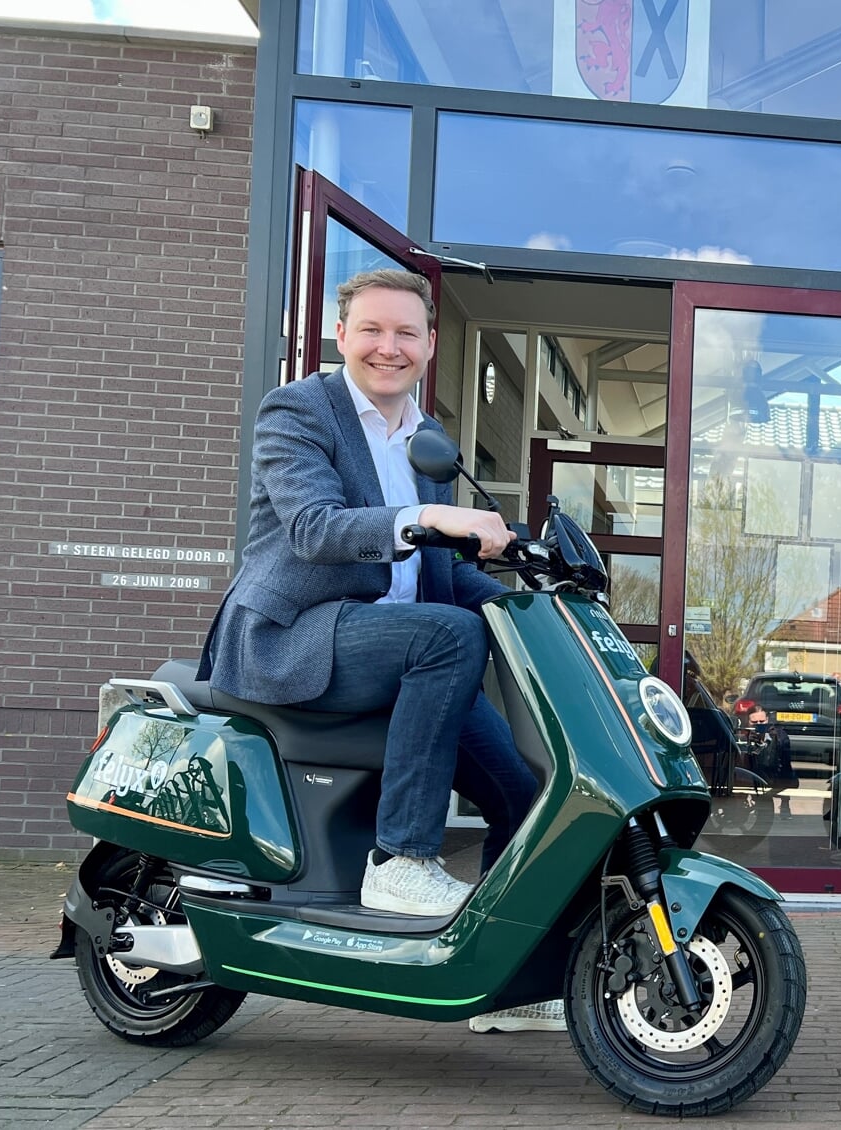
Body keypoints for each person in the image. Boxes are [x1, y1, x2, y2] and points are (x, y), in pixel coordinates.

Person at [197, 268, 559, 1033]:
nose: (388, 347)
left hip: (400, 654)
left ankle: (504, 985)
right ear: (342, 336)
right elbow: (315, 529)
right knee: (446, 633)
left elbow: (439, 567)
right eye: (372, 329)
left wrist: (531, 609)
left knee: (523, 794)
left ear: (430, 344)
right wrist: (433, 513)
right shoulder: (299, 410)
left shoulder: (424, 438)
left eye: (406, 333)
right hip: (291, 639)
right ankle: (400, 862)